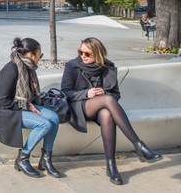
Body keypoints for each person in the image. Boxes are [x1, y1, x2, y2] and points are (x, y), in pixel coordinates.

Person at [60, 37, 162, 185]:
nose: (83, 56)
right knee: (108, 100)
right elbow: (65, 92)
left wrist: (103, 93)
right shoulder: (72, 65)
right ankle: (139, 146)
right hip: (80, 108)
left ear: (97, 53)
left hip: (101, 109)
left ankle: (111, 166)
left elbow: (116, 94)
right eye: (81, 52)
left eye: (87, 54)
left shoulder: (108, 66)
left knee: (107, 114)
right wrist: (86, 94)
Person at [0, 37, 62, 178]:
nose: (40, 58)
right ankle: (23, 158)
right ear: (30, 54)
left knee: (54, 118)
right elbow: (2, 99)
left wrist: (30, 103)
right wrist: (27, 106)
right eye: (39, 55)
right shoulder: (11, 69)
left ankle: (46, 160)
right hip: (5, 111)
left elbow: (28, 95)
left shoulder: (28, 68)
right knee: (44, 124)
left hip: (22, 107)